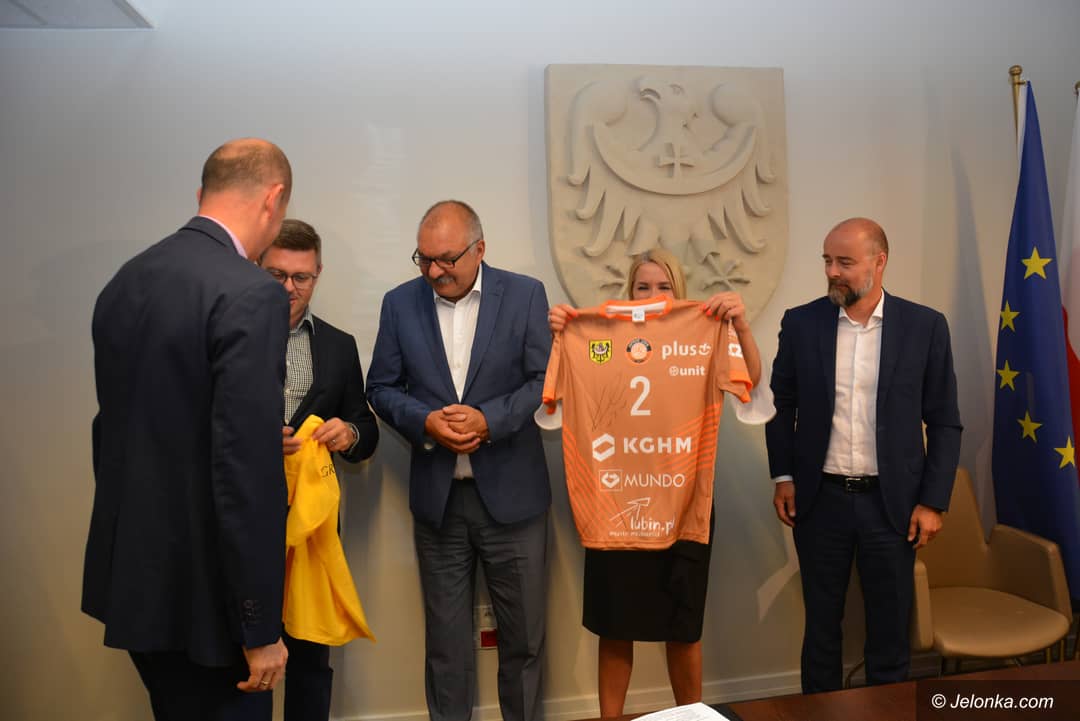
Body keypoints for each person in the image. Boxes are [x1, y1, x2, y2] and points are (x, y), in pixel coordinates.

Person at [83, 138, 294, 720]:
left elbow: (116, 431)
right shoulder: (251, 292)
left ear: (203, 193)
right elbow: (244, 473)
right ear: (273, 199)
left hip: (136, 582)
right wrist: (258, 626)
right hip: (209, 600)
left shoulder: (126, 280)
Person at [547, 246, 763, 717]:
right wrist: (563, 337)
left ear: (678, 291)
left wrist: (741, 326)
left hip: (684, 507)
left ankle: (690, 718)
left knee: (683, 629)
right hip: (615, 509)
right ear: (629, 293)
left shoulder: (702, 331)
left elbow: (750, 382)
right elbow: (553, 406)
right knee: (614, 627)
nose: (652, 295)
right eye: (642, 286)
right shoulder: (598, 337)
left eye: (663, 286)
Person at [366, 200, 552, 721]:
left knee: (524, 641)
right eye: (424, 259)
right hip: (439, 503)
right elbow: (380, 388)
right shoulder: (399, 304)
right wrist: (426, 421)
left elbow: (545, 379)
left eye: (446, 259)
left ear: (479, 249)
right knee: (446, 647)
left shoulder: (525, 294)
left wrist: (489, 420)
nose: (433, 271)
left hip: (514, 501)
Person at [764, 217, 962, 693]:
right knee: (821, 632)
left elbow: (944, 420)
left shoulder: (924, 327)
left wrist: (933, 502)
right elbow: (779, 404)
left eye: (845, 262)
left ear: (879, 262)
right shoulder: (801, 323)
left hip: (893, 507)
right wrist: (783, 476)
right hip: (820, 502)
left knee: (890, 636)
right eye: (827, 260)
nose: (832, 271)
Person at [259, 218, 380, 721]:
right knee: (246, 659)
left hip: (314, 533)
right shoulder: (227, 338)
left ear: (318, 274)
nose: (289, 287)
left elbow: (365, 427)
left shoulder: (338, 345)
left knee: (310, 660)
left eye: (301, 277)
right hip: (246, 525)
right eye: (276, 275)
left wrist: (349, 434)